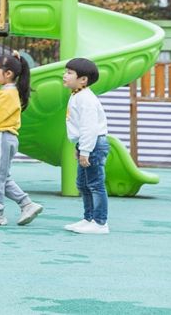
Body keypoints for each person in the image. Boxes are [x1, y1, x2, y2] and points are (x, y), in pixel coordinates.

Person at [0, 52, 44, 226]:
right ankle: (27, 204)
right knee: (2, 177)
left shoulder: (7, 93)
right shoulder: (9, 92)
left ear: (8, 74)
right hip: (4, 137)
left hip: (0, 136)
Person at [62, 57, 110, 234]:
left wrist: (85, 150)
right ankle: (88, 218)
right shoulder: (77, 95)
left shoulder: (86, 99)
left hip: (94, 144)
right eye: (65, 72)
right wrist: (79, 147)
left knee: (95, 184)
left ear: (83, 79)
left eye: (69, 73)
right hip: (87, 144)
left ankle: (100, 222)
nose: (64, 75)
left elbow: (89, 127)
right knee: (83, 184)